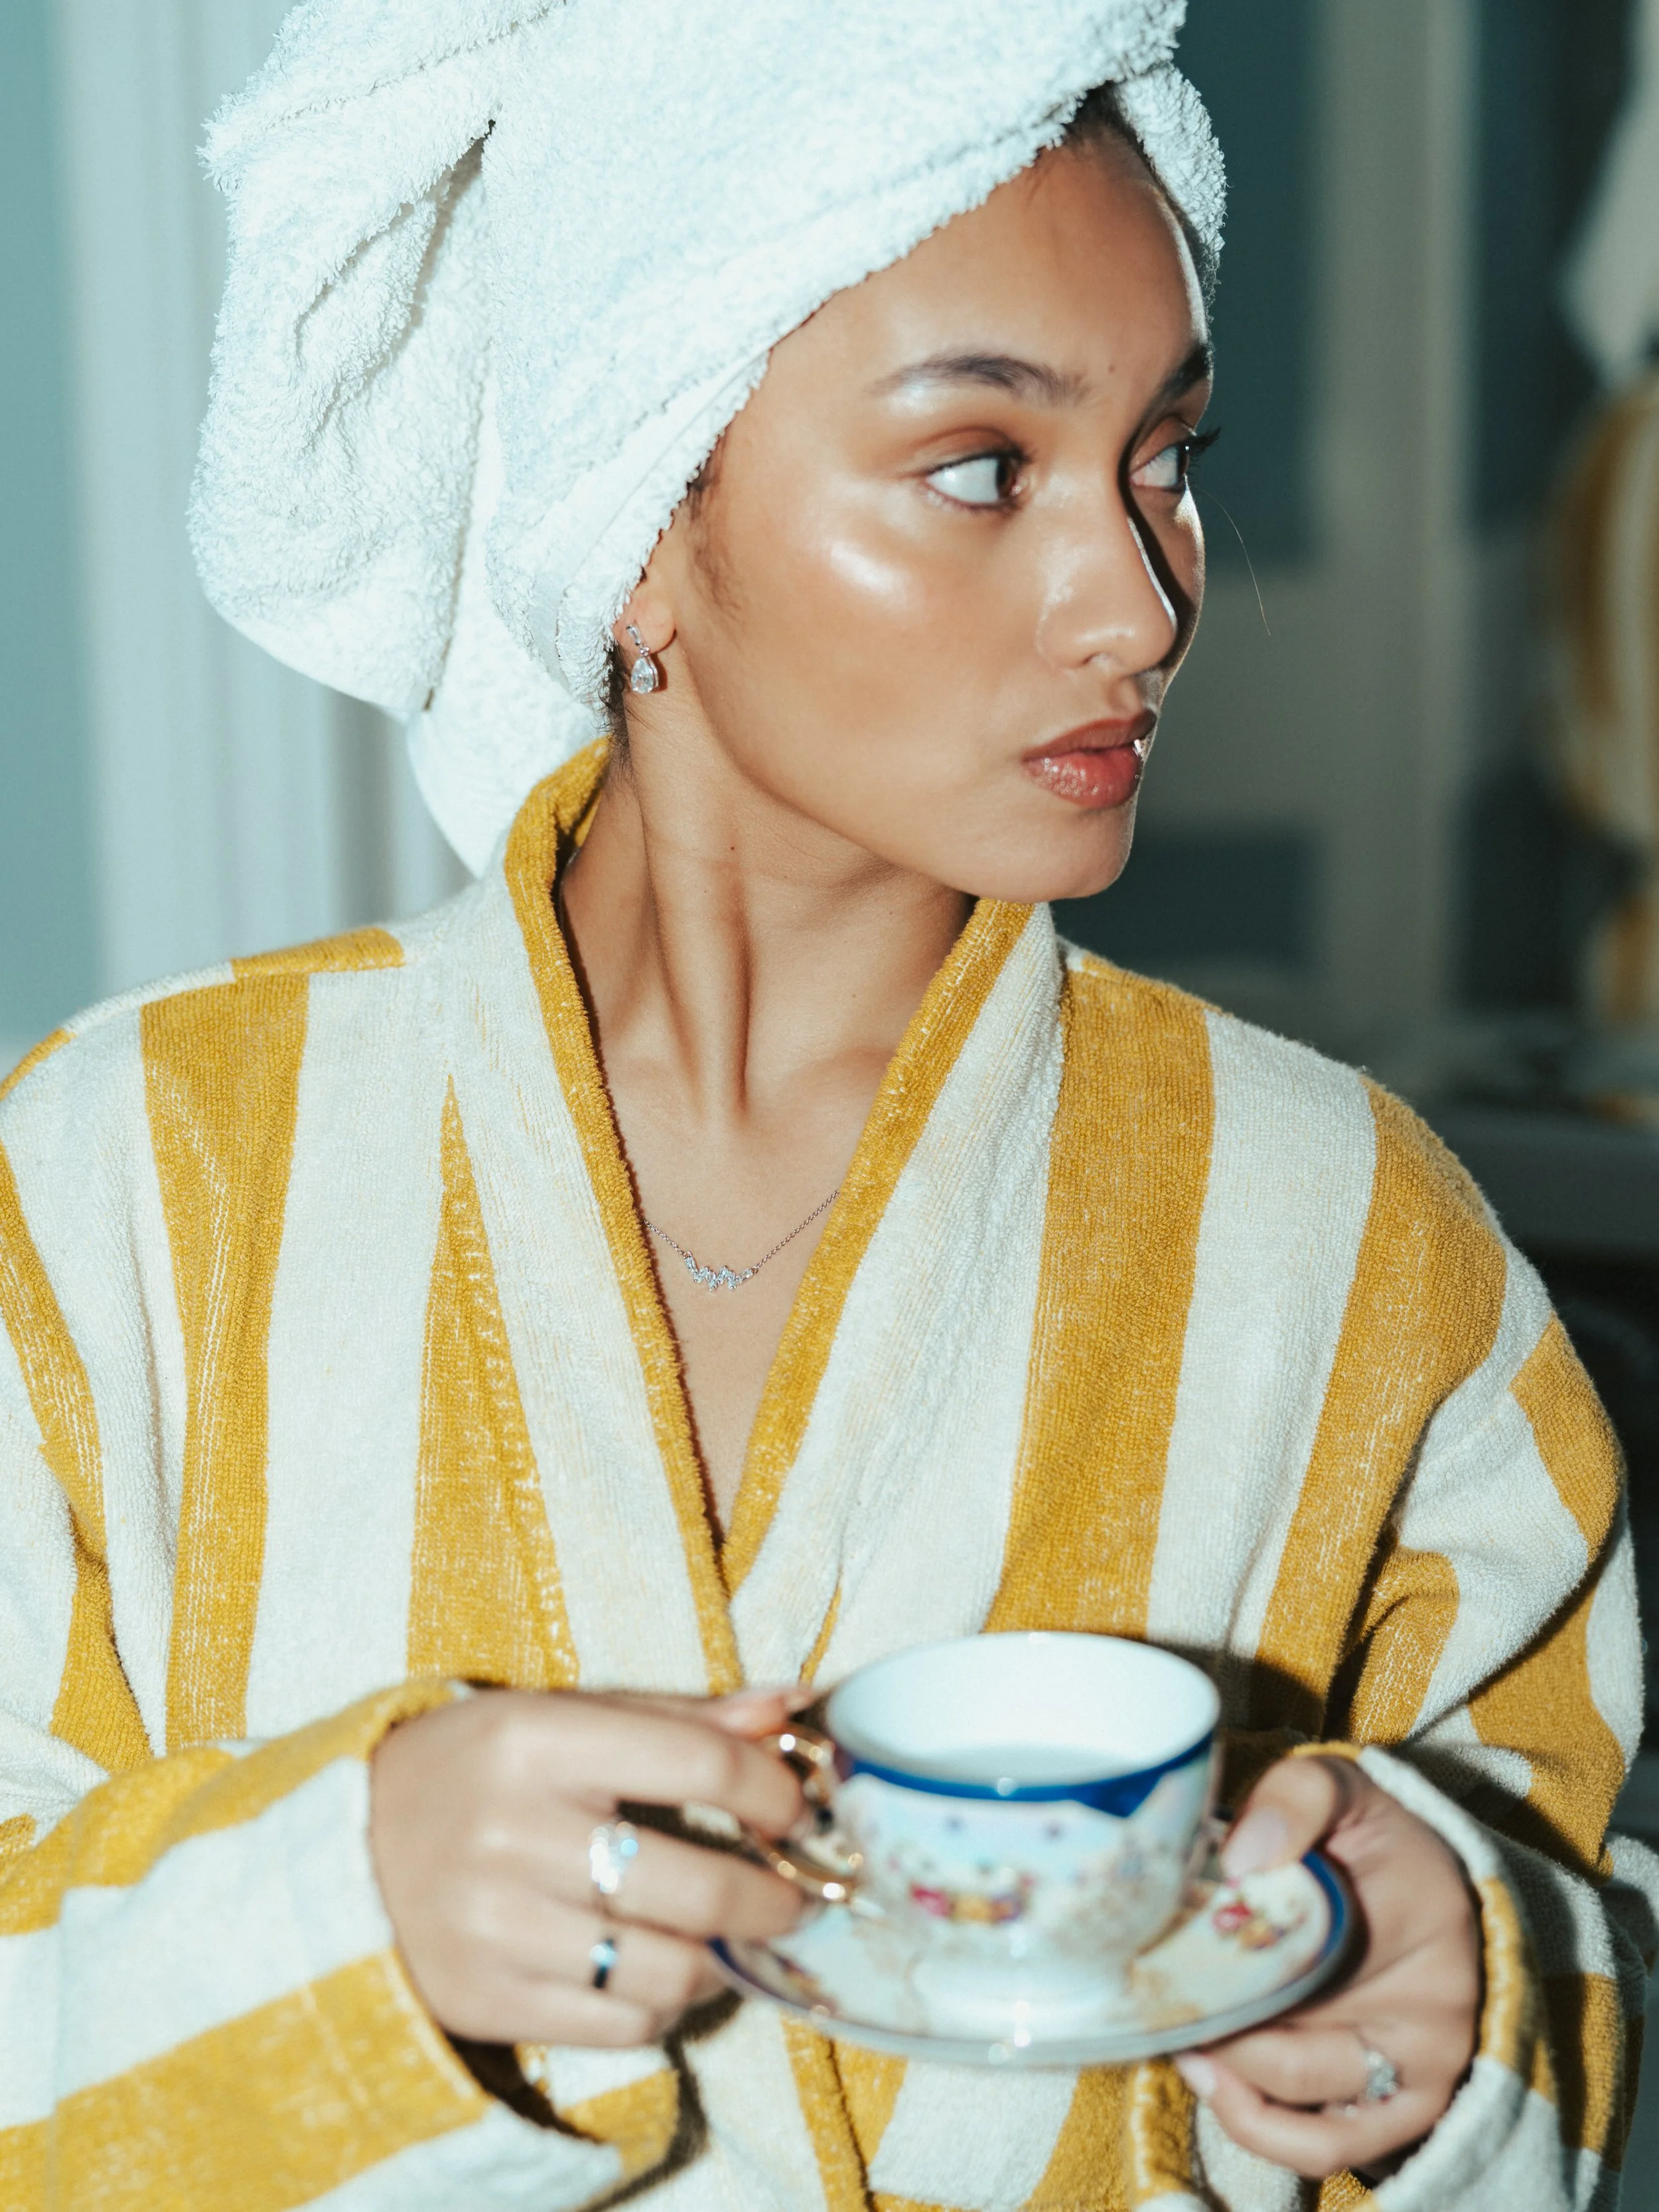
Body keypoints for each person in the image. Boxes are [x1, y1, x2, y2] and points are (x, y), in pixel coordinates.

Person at [1, 4, 1652, 2207]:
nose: (1140, 596)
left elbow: (1554, 1890)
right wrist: (331, 1913)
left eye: (1165, 453)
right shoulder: (124, 1182)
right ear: (635, 519)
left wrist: (1447, 1995)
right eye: (981, 465)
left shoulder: (1351, 1238)